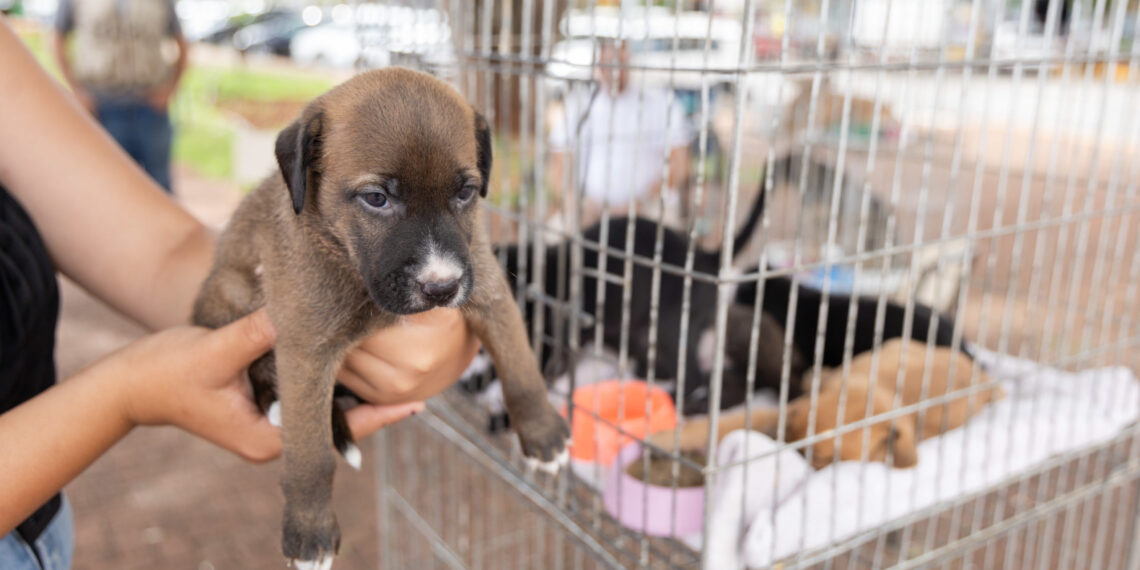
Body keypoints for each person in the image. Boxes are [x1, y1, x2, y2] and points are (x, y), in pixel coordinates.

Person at [0, 19, 479, 568]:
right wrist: (127, 393)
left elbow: (169, 254)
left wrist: (426, 340)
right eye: (377, 197)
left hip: (47, 530)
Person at [548, 39, 693, 230]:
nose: (615, 71)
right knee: (554, 236)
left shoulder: (662, 103)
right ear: (598, 65)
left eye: (621, 62)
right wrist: (578, 202)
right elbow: (558, 166)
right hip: (589, 208)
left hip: (649, 206)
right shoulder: (576, 106)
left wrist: (642, 201)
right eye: (608, 63)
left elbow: (680, 165)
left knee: (665, 235)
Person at [52, 0, 188, 193]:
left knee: (159, 185)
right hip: (102, 107)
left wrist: (170, 90)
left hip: (150, 106)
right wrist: (77, 91)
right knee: (106, 185)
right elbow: (57, 38)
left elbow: (181, 42)